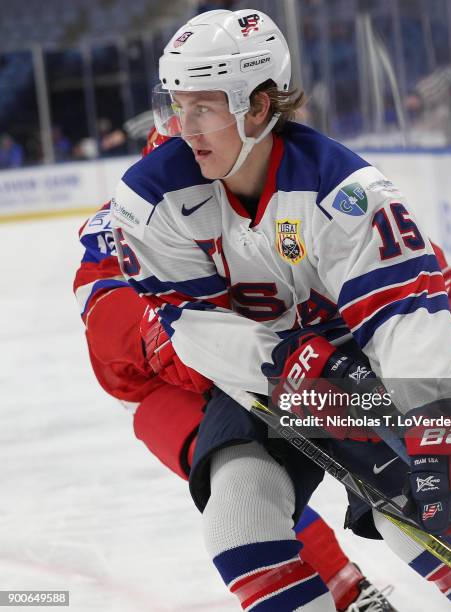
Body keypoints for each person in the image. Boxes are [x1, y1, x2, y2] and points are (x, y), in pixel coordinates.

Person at [109, 9, 451, 610]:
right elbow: (186, 323)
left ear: (257, 105)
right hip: (258, 375)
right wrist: (285, 367)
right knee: (239, 519)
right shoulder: (153, 197)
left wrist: (440, 433)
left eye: (204, 108)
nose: (182, 128)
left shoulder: (344, 191)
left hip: (359, 365)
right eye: (175, 105)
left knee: (420, 511)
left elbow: (402, 318)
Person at [73, 129, 397, 612]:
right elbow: (99, 305)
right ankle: (347, 588)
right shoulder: (129, 214)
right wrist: (150, 329)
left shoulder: (260, 194)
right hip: (159, 386)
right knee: (239, 484)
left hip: (236, 359)